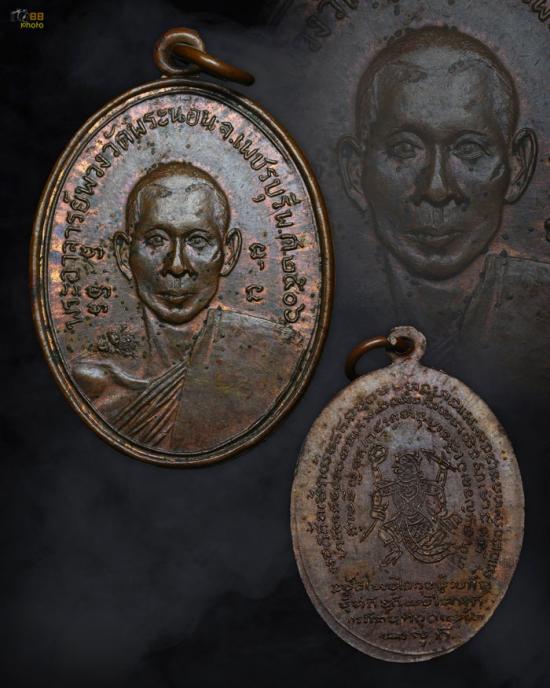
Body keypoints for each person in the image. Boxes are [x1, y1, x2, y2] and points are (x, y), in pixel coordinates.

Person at [338, 26, 549, 390]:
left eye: (468, 149)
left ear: (518, 167)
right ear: (355, 172)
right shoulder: (321, 302)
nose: (437, 189)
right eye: (405, 148)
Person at [73, 162, 303, 453]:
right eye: (156, 240)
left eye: (198, 241)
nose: (177, 265)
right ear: (123, 254)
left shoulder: (272, 358)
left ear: (229, 252)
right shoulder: (93, 384)